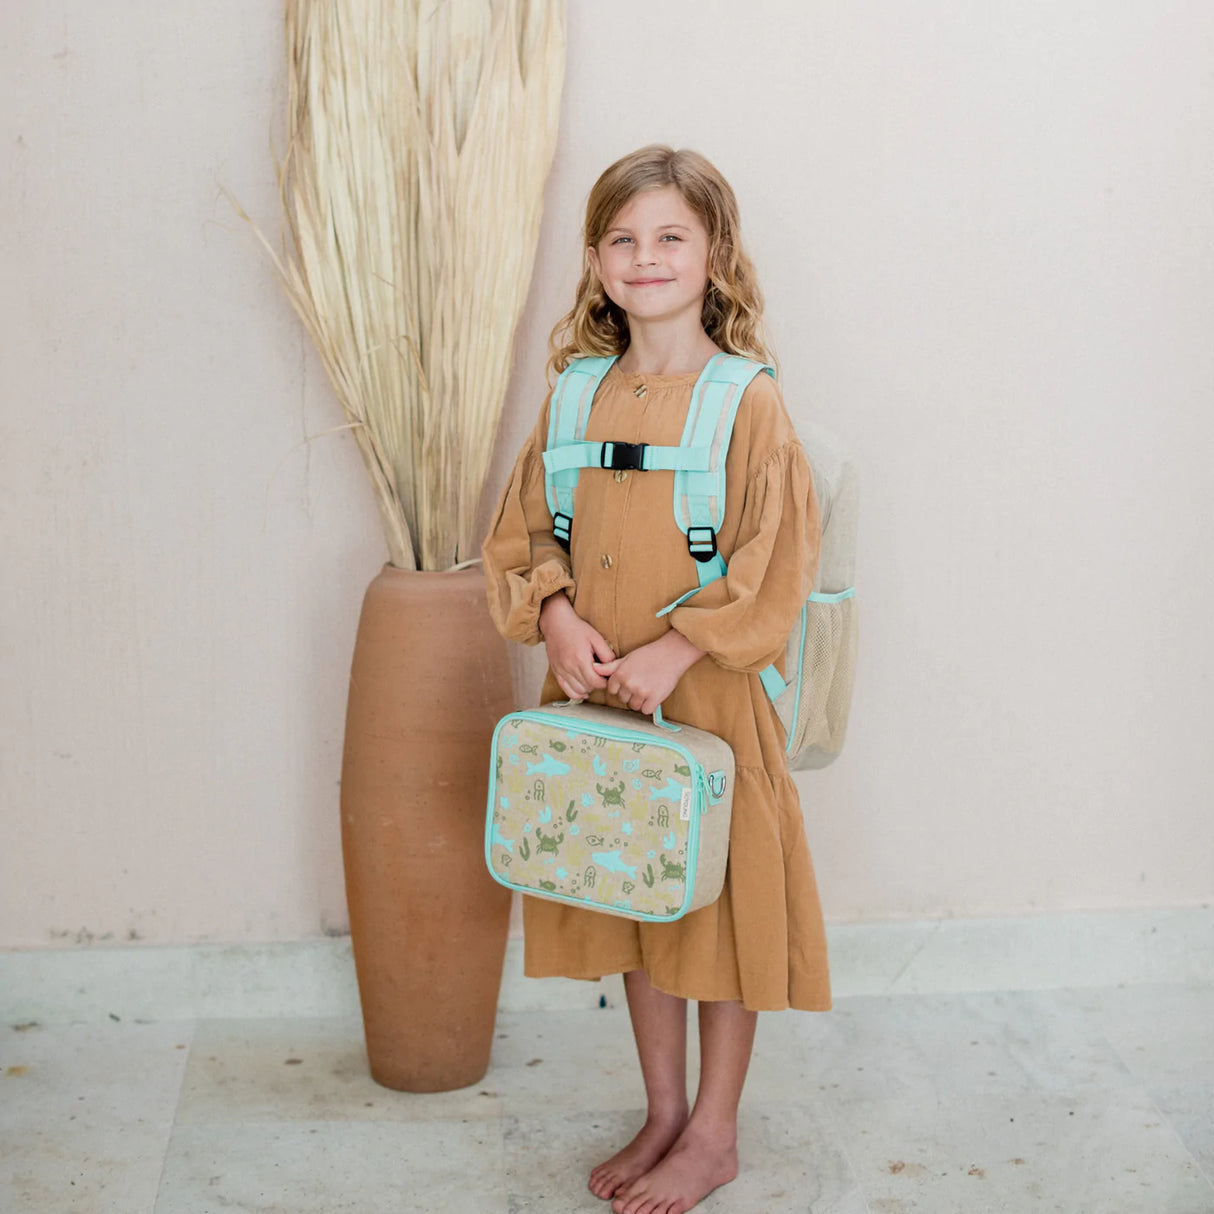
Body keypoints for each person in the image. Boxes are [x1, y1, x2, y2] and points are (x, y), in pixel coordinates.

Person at [482, 144, 831, 1214]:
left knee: (720, 908)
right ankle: (663, 1108)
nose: (646, 257)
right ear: (594, 259)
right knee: (639, 887)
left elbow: (777, 558)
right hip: (597, 695)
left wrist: (676, 648)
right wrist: (551, 615)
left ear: (714, 256)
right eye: (623, 239)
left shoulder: (746, 403)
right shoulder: (577, 394)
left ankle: (715, 1133)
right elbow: (523, 530)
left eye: (670, 236)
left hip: (709, 695)